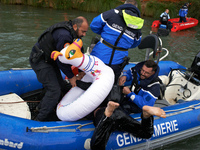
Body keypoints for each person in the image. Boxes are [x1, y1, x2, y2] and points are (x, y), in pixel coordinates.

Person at [29, 16, 89, 121]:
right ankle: (38, 119)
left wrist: (80, 71)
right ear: (75, 26)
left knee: (62, 85)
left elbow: (78, 54)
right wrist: (71, 76)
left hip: (51, 60)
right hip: (41, 61)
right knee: (54, 90)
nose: (84, 34)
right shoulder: (64, 36)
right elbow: (62, 60)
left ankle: (40, 107)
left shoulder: (73, 34)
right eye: (83, 31)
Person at [90, 0, 144, 83]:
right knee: (110, 84)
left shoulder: (112, 13)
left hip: (100, 55)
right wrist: (123, 44)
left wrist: (106, 34)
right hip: (118, 61)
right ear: (136, 7)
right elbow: (135, 43)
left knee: (90, 79)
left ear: (124, 4)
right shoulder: (138, 24)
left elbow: (94, 25)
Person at [90, 101, 166, 150]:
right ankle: (146, 115)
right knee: (146, 133)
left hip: (102, 113)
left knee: (96, 147)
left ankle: (107, 115)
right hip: (118, 111)